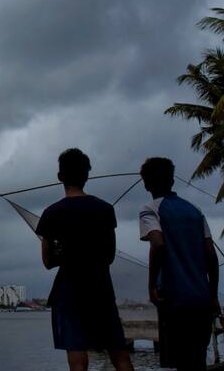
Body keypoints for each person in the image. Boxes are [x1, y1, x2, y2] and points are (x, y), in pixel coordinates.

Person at [35, 148, 134, 371]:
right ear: (87, 175)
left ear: (60, 177)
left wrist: (64, 253)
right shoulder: (106, 210)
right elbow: (109, 256)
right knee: (119, 353)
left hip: (68, 291)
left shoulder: (51, 213)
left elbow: (48, 261)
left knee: (77, 359)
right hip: (101, 289)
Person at [138, 157, 220, 370]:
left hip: (174, 298)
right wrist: (213, 295)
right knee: (197, 360)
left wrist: (151, 286)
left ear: (146, 184)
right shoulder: (194, 211)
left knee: (181, 361)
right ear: (172, 181)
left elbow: (157, 243)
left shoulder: (150, 209)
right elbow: (211, 254)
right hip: (202, 298)